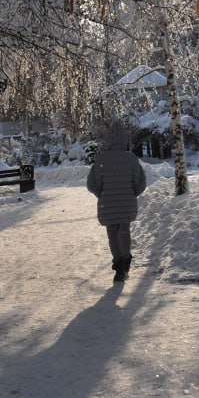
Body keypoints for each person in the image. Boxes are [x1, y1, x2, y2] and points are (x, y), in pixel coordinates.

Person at [86, 121, 146, 282]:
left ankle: (118, 264)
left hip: (108, 203)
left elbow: (91, 184)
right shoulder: (131, 159)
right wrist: (132, 193)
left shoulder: (100, 159)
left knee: (112, 233)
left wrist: (102, 194)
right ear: (124, 139)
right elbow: (141, 183)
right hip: (127, 202)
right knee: (124, 231)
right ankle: (125, 262)